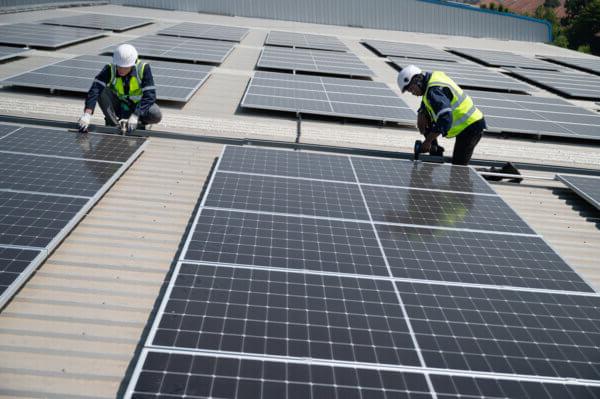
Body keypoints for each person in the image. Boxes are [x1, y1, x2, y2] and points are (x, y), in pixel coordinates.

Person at [398, 65, 486, 166]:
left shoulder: (434, 91)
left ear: (417, 80)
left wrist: (427, 142)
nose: (412, 93)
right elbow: (430, 99)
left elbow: (445, 119)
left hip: (471, 126)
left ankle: (494, 175)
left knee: (458, 168)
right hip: (466, 125)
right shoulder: (431, 79)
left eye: (411, 89)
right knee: (425, 118)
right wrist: (421, 111)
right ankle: (435, 151)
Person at [78, 44, 162, 135]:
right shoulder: (109, 69)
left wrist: (136, 114)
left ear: (132, 64)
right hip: (119, 106)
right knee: (101, 90)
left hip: (138, 106)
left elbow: (150, 96)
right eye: (119, 66)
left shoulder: (143, 69)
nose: (121, 69)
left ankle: (137, 123)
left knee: (155, 114)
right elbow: (95, 90)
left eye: (125, 67)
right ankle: (114, 124)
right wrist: (87, 114)